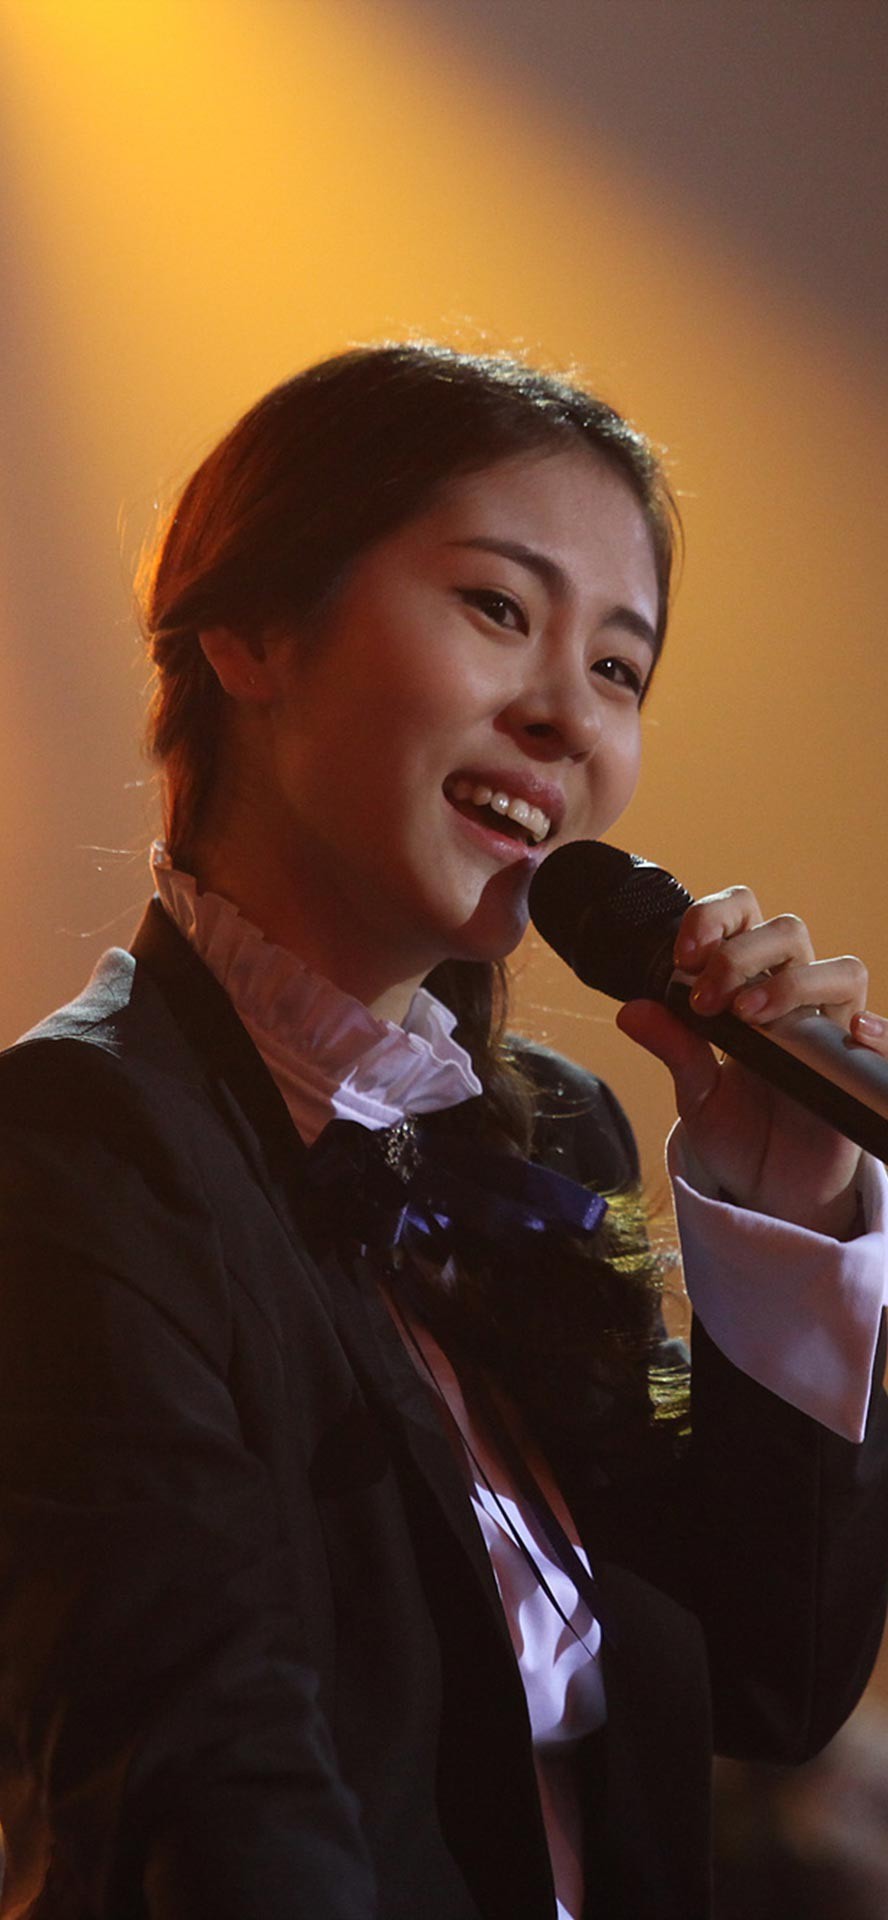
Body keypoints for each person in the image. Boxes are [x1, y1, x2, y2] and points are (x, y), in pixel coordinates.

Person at [1, 342, 887, 1920]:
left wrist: (784, 1224)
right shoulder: (71, 1150)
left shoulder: (557, 1144)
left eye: (619, 670)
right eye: (497, 607)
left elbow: (761, 1677)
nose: (566, 716)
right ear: (249, 627)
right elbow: (208, 1788)